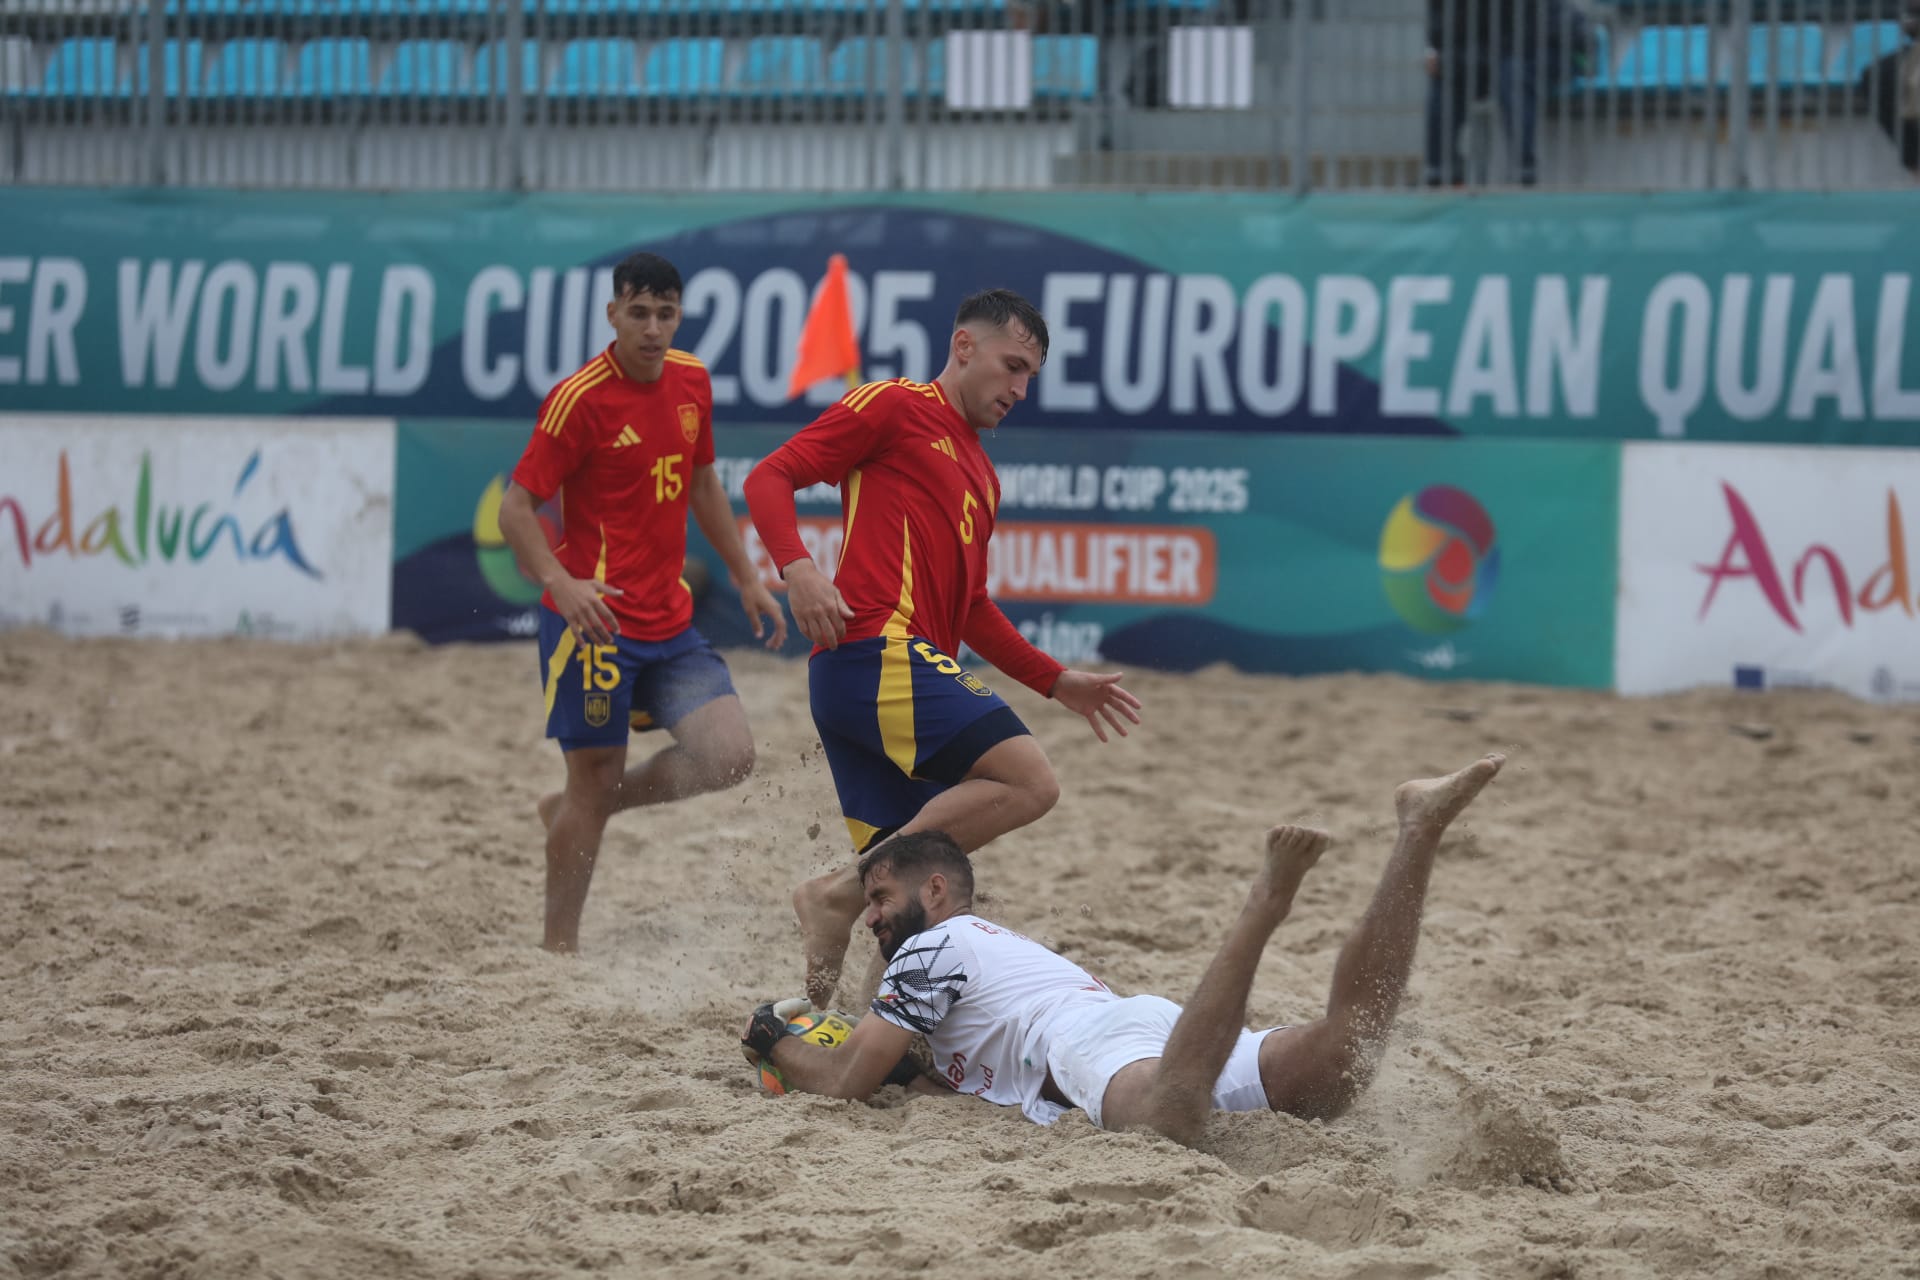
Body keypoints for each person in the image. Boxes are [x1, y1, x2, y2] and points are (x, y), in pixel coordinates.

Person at [742, 754, 1505, 1145]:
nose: (870, 917)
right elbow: (945, 1076)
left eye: (880, 899)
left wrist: (771, 1038)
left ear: (936, 891)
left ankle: (1262, 908)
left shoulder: (931, 949)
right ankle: (1417, 831)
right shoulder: (980, 955)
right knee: (1342, 1062)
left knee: (1165, 1122)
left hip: (1089, 1042)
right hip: (1136, 1025)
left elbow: (845, 1077)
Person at [742, 288, 1142, 1009]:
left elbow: (974, 609)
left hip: (879, 677)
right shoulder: (894, 405)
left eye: (1031, 377)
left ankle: (826, 1033)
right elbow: (769, 476)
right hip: (872, 652)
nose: (1020, 389)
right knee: (1031, 783)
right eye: (1012, 365)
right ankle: (831, 894)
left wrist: (1057, 682)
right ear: (964, 347)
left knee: (907, 907)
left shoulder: (984, 477)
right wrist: (798, 568)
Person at [499, 250, 787, 954]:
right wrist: (559, 585)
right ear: (613, 314)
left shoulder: (692, 381)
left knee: (729, 755)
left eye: (665, 314)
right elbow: (515, 508)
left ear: (679, 316)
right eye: (639, 313)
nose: (653, 329)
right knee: (591, 776)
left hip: (669, 618)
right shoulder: (579, 399)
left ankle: (581, 806)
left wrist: (747, 575)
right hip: (594, 621)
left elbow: (704, 485)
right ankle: (557, 951)